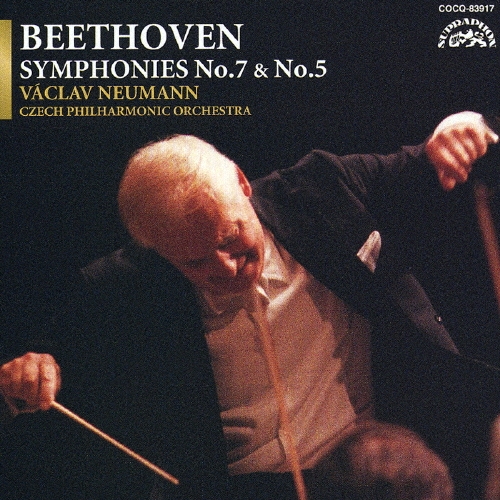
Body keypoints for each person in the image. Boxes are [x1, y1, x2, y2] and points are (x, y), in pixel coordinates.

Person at [0, 111, 499, 500]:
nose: (225, 268)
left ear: (241, 183)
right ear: (158, 252)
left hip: (368, 474)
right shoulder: (127, 284)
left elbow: (425, 163)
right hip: (242, 489)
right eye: (195, 262)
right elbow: (40, 360)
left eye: (230, 238)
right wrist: (31, 373)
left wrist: (462, 129)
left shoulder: (322, 190)